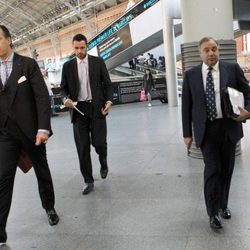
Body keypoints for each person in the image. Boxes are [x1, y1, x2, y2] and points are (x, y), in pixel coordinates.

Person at [182, 37, 250, 229]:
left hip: (229, 128)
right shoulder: (191, 75)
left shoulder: (232, 69)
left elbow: (248, 92)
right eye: (206, 50)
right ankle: (212, 214)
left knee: (227, 171)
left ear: (218, 50)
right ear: (200, 53)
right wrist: (187, 133)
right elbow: (186, 106)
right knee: (212, 171)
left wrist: (247, 110)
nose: (211, 53)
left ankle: (223, 205)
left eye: (214, 49)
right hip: (207, 131)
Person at [0, 25, 59, 244]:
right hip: (5, 133)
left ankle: (50, 207)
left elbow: (42, 98)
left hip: (31, 131)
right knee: (3, 177)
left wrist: (43, 129)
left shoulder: (27, 65)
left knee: (41, 171)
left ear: (9, 39)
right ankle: (0, 228)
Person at [60, 34, 113, 195]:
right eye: (76, 48)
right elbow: (63, 88)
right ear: (73, 47)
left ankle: (103, 161)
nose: (79, 51)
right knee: (82, 148)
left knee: (99, 143)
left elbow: (108, 84)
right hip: (78, 111)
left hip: (97, 109)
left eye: (82, 47)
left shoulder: (98, 62)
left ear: (87, 46)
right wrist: (65, 99)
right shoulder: (67, 66)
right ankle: (88, 180)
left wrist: (109, 102)